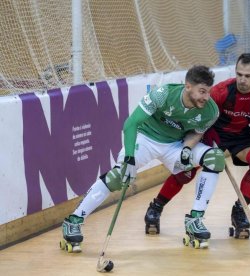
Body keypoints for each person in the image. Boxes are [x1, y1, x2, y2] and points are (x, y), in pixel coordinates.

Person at [61, 65, 225, 252]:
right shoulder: (163, 94)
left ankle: (195, 220)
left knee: (215, 158)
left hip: (175, 146)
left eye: (208, 92)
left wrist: (187, 148)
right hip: (146, 138)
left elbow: (196, 133)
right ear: (188, 86)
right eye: (202, 91)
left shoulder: (210, 111)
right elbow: (131, 123)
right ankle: (73, 221)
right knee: (118, 176)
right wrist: (130, 158)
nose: (206, 97)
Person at [144, 53, 250, 239]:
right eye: (239, 74)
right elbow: (199, 114)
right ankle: (156, 207)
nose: (242, 80)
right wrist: (205, 135)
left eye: (248, 76)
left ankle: (239, 211)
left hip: (244, 137)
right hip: (215, 132)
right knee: (186, 172)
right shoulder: (222, 91)